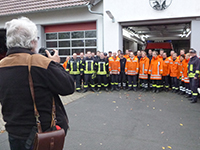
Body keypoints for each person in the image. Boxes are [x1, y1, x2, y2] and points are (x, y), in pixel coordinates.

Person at [0, 17, 74, 150]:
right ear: (32, 41)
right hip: (42, 135)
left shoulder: (2, 65)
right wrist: (56, 64)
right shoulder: (41, 63)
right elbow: (68, 87)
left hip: (14, 132)